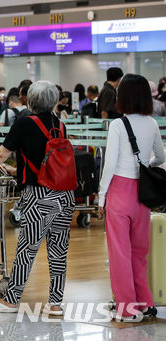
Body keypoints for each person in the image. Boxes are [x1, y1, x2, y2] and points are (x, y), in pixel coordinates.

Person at [0, 80, 75, 316]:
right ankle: (56, 303)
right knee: (59, 251)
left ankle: (11, 299)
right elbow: (50, 162)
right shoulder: (60, 125)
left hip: (39, 197)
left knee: (26, 250)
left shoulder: (24, 123)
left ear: (30, 99)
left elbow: (1, 153)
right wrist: (19, 171)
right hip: (65, 196)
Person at [97, 74, 165, 322]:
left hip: (119, 191)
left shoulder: (118, 125)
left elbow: (110, 164)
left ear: (122, 96)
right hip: (143, 194)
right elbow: (161, 157)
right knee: (139, 252)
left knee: (120, 253)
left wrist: (101, 197)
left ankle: (127, 308)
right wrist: (144, 165)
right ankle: (145, 302)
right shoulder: (152, 123)